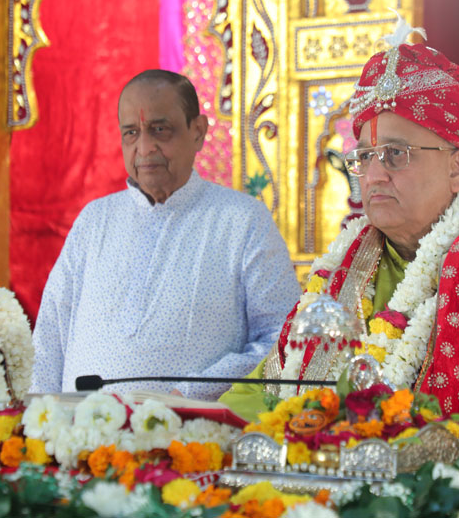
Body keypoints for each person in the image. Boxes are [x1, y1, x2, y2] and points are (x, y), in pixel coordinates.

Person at [220, 16, 459, 464]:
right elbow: (263, 396)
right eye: (365, 157)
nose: (373, 175)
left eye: (396, 154)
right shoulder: (338, 282)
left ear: (458, 167)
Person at [30, 69, 301, 401]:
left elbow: (282, 339)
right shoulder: (94, 220)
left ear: (198, 132)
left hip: (193, 430)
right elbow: (49, 338)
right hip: (77, 428)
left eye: (160, 130)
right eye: (131, 133)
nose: (145, 148)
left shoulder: (243, 220)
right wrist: (37, 419)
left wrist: (190, 393)